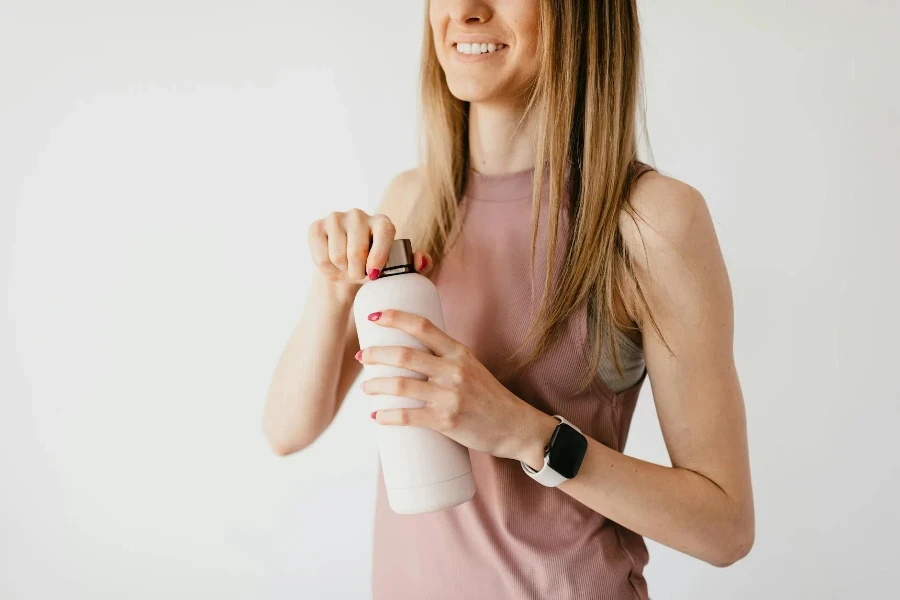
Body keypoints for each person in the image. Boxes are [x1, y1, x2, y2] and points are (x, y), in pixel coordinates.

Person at [262, 0, 754, 597]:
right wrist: (331, 286)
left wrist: (526, 433)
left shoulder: (650, 220)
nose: (466, 11)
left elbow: (725, 527)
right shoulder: (411, 202)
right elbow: (286, 429)